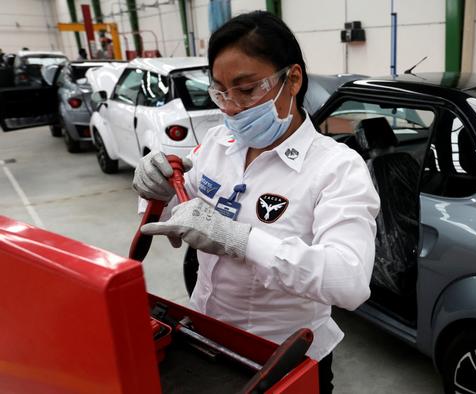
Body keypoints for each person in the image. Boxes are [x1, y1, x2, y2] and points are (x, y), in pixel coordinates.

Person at [132, 10, 380, 393]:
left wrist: (240, 240)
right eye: (220, 91)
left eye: (247, 90)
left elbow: (348, 281)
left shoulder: (337, 168)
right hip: (205, 336)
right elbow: (181, 211)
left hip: (283, 358)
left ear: (292, 79)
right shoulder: (218, 143)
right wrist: (159, 192)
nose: (231, 107)